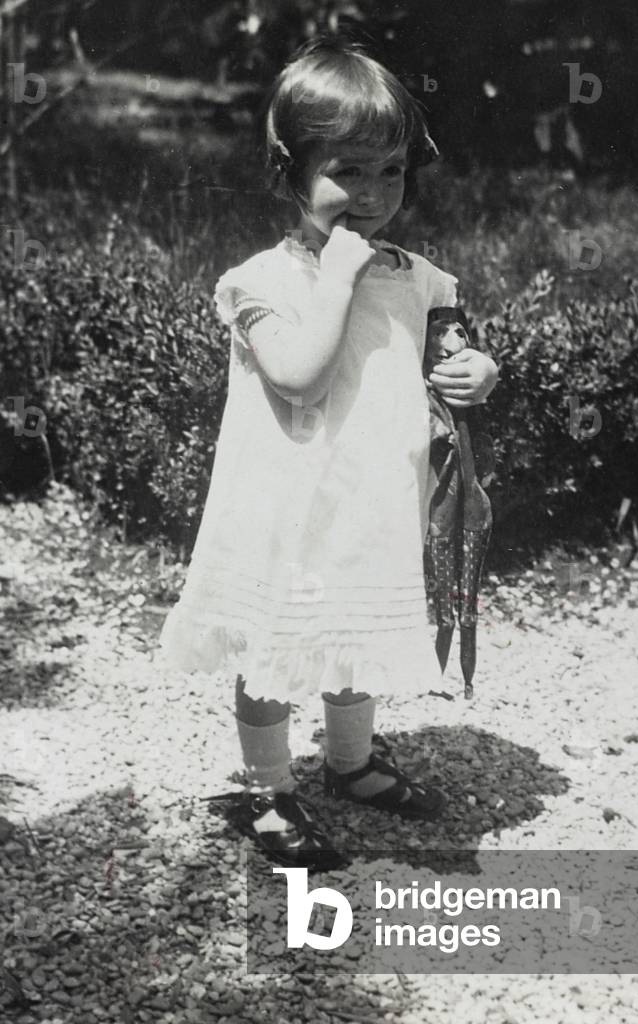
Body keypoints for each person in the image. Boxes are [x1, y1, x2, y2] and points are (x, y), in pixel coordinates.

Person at [156, 35, 498, 868]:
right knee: (273, 647)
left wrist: (475, 371)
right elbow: (299, 381)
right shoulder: (260, 283)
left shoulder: (419, 278)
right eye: (347, 171)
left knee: (358, 629)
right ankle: (268, 790)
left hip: (374, 497)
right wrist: (339, 276)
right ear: (289, 171)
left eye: (390, 172)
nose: (372, 195)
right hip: (283, 506)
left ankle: (350, 763)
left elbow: (449, 351)